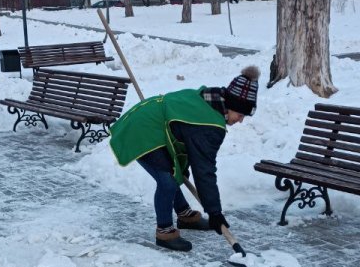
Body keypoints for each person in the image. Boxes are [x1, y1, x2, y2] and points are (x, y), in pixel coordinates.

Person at [109, 66, 259, 251]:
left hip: (153, 125)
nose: (241, 120)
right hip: (142, 131)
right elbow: (204, 169)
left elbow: (192, 149)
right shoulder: (209, 125)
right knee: (168, 182)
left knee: (174, 173)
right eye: (241, 114)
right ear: (230, 105)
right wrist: (215, 212)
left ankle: (185, 215)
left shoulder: (209, 98)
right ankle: (164, 232)